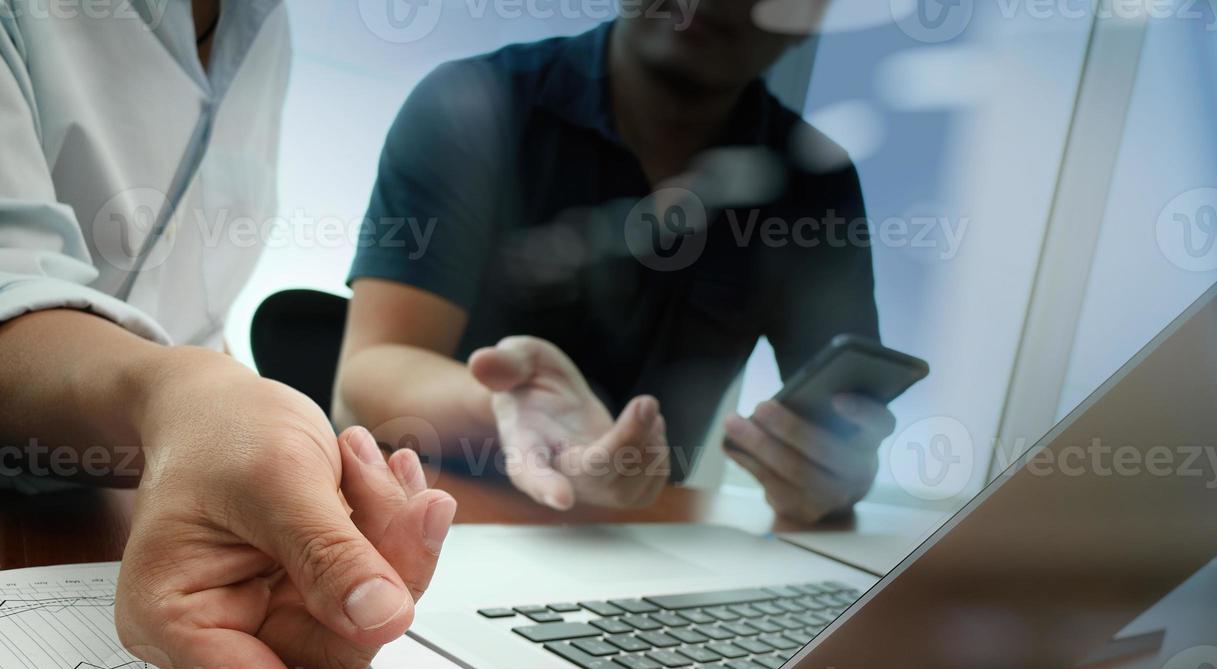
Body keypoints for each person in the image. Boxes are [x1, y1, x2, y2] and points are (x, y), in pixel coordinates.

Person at [0, 0, 448, 669]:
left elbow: (193, 323)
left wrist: (253, 446)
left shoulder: (264, 32)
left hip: (98, 515)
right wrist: (187, 394)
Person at [335, 1, 898, 524]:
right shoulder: (468, 103)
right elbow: (371, 365)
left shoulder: (816, 187)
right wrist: (507, 407)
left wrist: (836, 471)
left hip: (638, 552)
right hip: (442, 520)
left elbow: (843, 412)